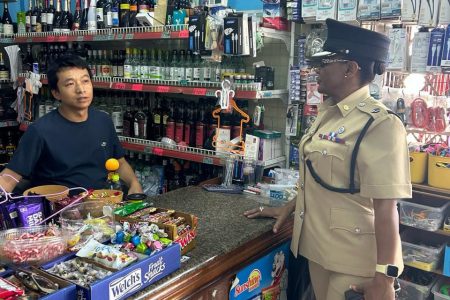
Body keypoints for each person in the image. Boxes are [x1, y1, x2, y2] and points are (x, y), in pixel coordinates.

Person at [245, 19, 412, 300]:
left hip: (355, 262)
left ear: (350, 69)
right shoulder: (328, 113)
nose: (316, 70)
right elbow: (326, 178)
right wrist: (290, 207)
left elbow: (387, 211)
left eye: (325, 64)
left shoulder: (380, 125)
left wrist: (384, 278)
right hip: (318, 252)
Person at [0, 55, 142, 195]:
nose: (81, 89)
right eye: (70, 84)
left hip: (102, 205)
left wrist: (134, 184)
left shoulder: (103, 121)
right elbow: (9, 178)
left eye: (85, 81)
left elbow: (120, 162)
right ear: (56, 93)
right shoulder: (40, 131)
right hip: (60, 209)